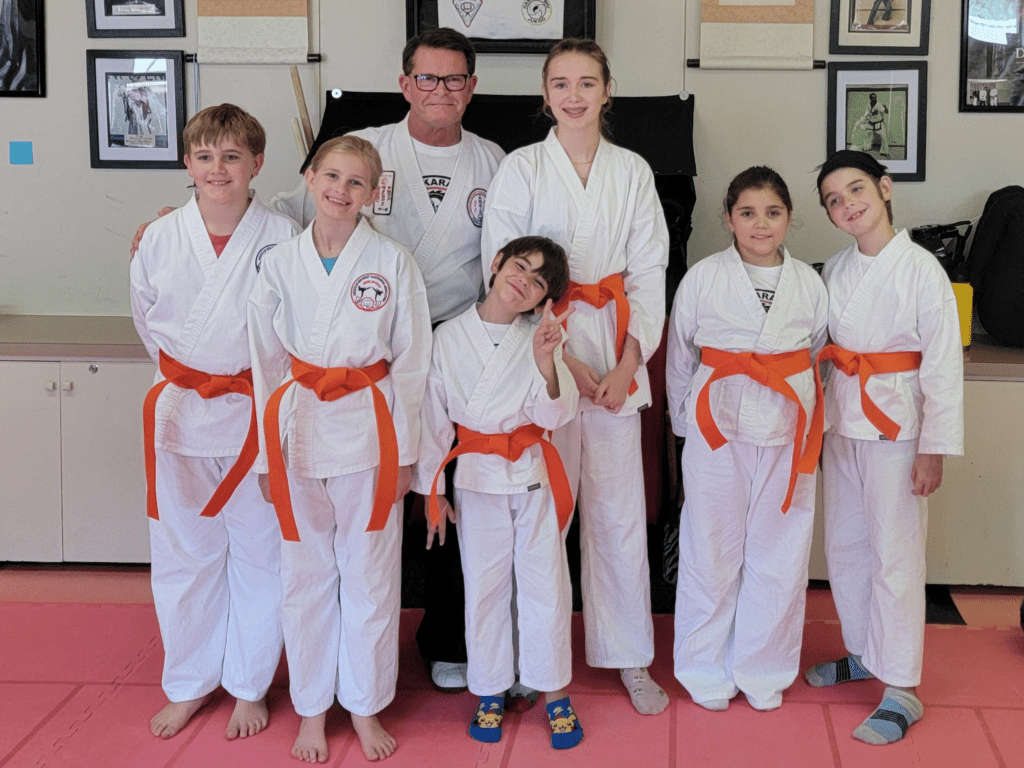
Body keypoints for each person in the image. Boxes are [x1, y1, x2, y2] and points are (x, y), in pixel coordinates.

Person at [132, 27, 502, 692]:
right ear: (405, 83)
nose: (438, 90)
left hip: (455, 343)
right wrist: (197, 212)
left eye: (453, 79)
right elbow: (280, 218)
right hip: (354, 353)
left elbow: (506, 250)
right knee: (318, 547)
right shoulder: (363, 153)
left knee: (452, 498)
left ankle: (452, 641)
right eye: (426, 77)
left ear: (471, 88)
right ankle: (303, 681)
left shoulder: (494, 161)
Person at [480, 38, 670, 716]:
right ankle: (538, 657)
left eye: (586, 81)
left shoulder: (633, 171)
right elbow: (502, 273)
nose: (573, 94)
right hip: (546, 357)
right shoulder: (520, 169)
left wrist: (625, 363)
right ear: (545, 93)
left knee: (618, 516)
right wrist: (568, 361)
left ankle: (631, 657)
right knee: (543, 518)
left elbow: (649, 272)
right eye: (560, 82)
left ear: (607, 90)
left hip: (618, 360)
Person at [248, 135, 432, 763]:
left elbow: (413, 362)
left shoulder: (393, 261)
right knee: (305, 576)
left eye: (357, 182)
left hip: (370, 434)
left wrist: (408, 453)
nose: (341, 191)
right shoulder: (277, 263)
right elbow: (264, 364)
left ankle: (364, 705)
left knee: (371, 576)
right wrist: (268, 458)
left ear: (373, 193)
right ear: (308, 177)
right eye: (332, 177)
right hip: (297, 433)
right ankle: (310, 709)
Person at [129, 104, 299, 741]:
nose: (218, 168)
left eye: (232, 156)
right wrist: (193, 376)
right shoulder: (159, 237)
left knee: (261, 553)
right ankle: (188, 683)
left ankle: (250, 685)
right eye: (205, 156)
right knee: (182, 553)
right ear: (186, 163)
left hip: (256, 414)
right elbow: (148, 322)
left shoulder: (283, 237)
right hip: (179, 407)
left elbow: (292, 330)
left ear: (257, 164)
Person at [805, 150, 964, 745]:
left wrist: (935, 448)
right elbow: (820, 352)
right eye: (833, 200)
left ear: (885, 187)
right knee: (846, 548)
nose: (847, 204)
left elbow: (943, 366)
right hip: (844, 424)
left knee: (896, 555)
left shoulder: (923, 269)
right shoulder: (836, 270)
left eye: (855, 189)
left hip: (899, 430)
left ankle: (902, 687)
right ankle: (864, 653)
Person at [666, 167, 828, 712]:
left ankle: (765, 668)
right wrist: (684, 424)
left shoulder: (809, 282)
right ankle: (702, 665)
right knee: (710, 548)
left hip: (788, 427)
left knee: (779, 552)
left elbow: (816, 357)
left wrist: (808, 416)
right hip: (716, 427)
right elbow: (680, 356)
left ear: (789, 218)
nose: (761, 224)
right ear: (728, 218)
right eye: (748, 212)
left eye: (773, 212)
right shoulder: (704, 278)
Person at [413, 235, 584, 749]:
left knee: (546, 588)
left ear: (544, 298)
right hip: (474, 481)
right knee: (483, 587)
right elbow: (434, 419)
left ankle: (553, 692)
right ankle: (488, 689)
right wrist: (432, 491)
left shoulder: (543, 337)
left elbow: (556, 414)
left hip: (532, 476)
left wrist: (547, 360)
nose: (523, 282)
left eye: (538, 282)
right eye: (519, 266)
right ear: (495, 263)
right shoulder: (448, 337)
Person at [854, 93, 889, 158]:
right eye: (872, 98)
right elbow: (866, 114)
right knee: (866, 135)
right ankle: (867, 147)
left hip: (879, 123)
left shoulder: (879, 104)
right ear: (870, 98)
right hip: (871, 123)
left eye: (875, 98)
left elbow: (886, 112)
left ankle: (884, 151)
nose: (874, 99)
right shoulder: (868, 105)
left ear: (876, 98)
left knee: (884, 136)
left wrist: (885, 107)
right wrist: (871, 113)